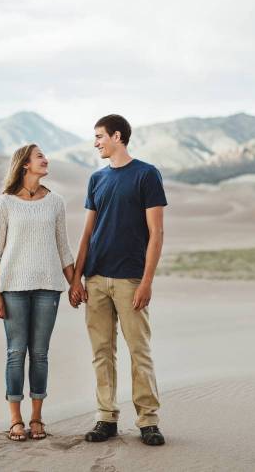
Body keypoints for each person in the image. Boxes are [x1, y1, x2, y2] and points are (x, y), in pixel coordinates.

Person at [69, 114, 167, 446]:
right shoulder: (96, 179)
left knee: (139, 350)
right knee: (102, 351)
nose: (96, 142)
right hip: (95, 278)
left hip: (130, 279)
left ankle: (148, 421)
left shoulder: (146, 174)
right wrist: (77, 278)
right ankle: (105, 418)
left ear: (117, 136)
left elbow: (156, 233)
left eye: (99, 136)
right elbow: (87, 233)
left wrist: (146, 282)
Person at [0, 144, 75, 441]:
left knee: (40, 354)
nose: (45, 159)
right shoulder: (4, 203)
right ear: (24, 164)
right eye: (39, 156)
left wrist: (75, 283)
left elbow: (64, 248)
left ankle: (37, 417)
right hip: (12, 289)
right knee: (15, 352)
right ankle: (15, 420)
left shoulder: (56, 202)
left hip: (49, 287)